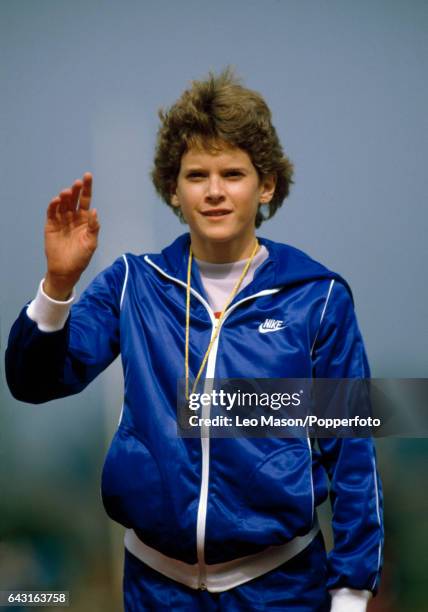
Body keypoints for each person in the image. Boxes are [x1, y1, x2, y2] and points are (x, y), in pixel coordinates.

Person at [6, 69, 383, 611]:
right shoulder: (133, 285)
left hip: (280, 587)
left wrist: (350, 593)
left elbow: (352, 455)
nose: (214, 191)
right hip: (156, 588)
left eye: (232, 173)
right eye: (195, 175)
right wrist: (59, 285)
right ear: (173, 190)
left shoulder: (316, 297)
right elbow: (33, 382)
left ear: (266, 185)